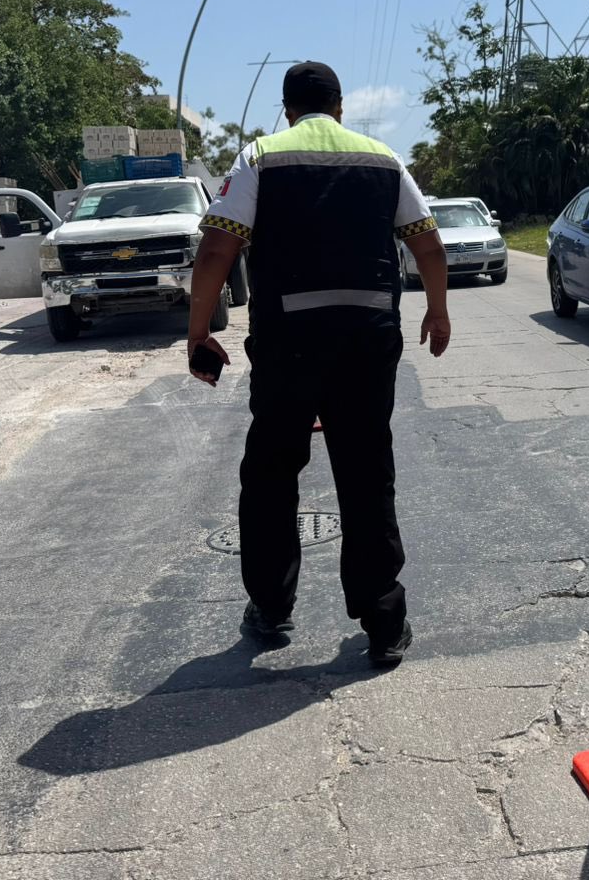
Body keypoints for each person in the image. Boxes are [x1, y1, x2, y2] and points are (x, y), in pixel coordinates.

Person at [185, 61, 451, 667]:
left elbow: (217, 249)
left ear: (287, 109)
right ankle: (384, 620)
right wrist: (437, 313)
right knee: (366, 471)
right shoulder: (383, 159)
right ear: (339, 108)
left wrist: (198, 330)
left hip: (289, 343)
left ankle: (272, 610)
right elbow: (428, 243)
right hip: (367, 340)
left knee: (272, 473)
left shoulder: (261, 157)